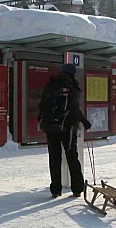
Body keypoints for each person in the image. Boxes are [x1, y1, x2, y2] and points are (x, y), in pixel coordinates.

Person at [38, 63, 91, 198]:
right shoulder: (71, 87)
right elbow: (74, 109)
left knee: (54, 158)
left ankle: (55, 189)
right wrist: (85, 122)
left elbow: (42, 105)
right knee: (72, 156)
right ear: (72, 74)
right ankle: (77, 188)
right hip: (67, 127)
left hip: (51, 127)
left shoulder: (51, 85)